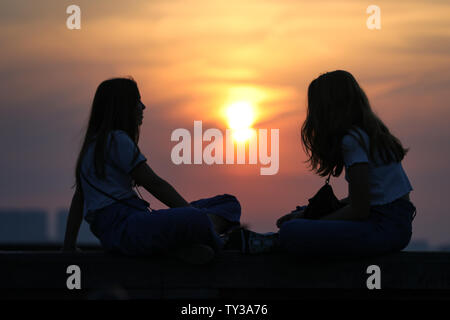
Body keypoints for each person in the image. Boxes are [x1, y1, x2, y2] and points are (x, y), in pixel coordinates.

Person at [226, 70, 416, 257]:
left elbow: (359, 210)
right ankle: (274, 238)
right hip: (394, 225)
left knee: (293, 231)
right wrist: (307, 215)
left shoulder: (352, 141)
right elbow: (363, 200)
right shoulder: (367, 136)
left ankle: (272, 242)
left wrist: (317, 222)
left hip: (383, 228)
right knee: (302, 216)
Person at [62, 77, 240, 263]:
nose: (143, 106)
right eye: (137, 101)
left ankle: (179, 248)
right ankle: (215, 242)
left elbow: (79, 199)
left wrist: (68, 245)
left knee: (228, 203)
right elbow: (154, 184)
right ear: (123, 107)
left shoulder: (92, 147)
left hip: (130, 228)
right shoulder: (116, 140)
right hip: (125, 230)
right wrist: (192, 215)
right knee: (198, 217)